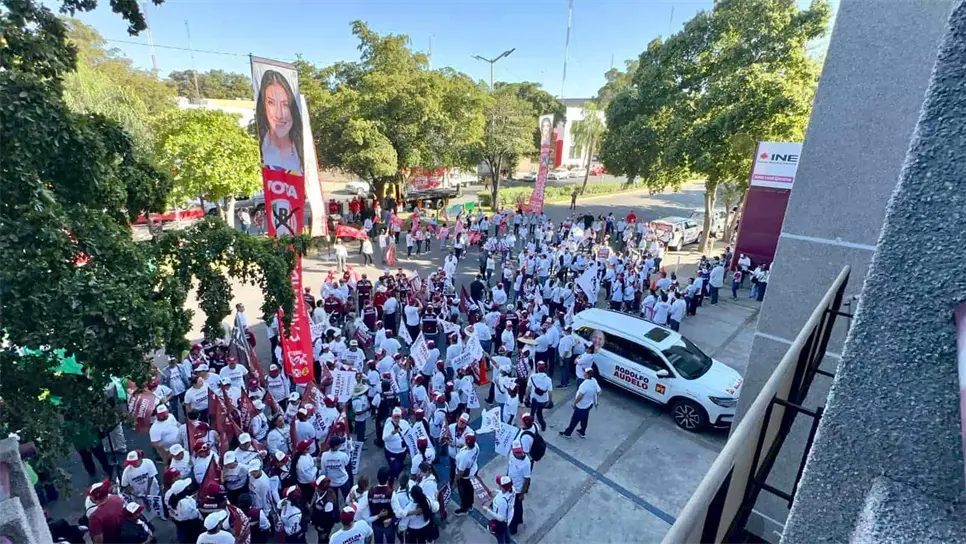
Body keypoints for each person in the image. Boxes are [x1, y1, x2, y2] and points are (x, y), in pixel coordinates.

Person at [255, 69, 303, 174]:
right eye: (271, 103)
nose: (280, 114)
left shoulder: (303, 151)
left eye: (285, 105)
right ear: (263, 107)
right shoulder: (255, 149)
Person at [559, 368, 601, 439]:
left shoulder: (584, 385)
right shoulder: (594, 381)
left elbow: (580, 396)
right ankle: (582, 431)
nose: (583, 373)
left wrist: (574, 403)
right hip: (588, 405)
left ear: (587, 375)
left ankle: (567, 433)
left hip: (581, 406)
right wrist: (596, 400)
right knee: (584, 418)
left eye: (585, 372)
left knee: (574, 420)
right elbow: (599, 391)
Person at [507, 441, 532, 535]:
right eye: (516, 452)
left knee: (513, 509)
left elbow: (527, 479)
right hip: (510, 485)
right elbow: (509, 467)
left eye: (520, 451)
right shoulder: (511, 455)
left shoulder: (526, 463)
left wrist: (522, 493)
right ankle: (520, 519)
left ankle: (513, 529)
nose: (519, 454)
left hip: (517, 490)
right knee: (518, 507)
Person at [482, 475, 515, 544]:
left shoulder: (502, 501)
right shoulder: (512, 489)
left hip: (502, 522)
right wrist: (494, 490)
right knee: (506, 533)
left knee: (500, 536)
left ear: (502, 487)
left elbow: (501, 518)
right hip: (509, 516)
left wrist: (488, 510)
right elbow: (504, 493)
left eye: (500, 484)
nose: (498, 485)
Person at [453, 431, 480, 515]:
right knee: (470, 489)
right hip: (473, 471)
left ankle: (464, 509)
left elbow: (461, 472)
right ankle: (470, 505)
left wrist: (455, 481)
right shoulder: (476, 446)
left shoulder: (464, 457)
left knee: (463, 493)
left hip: (465, 477)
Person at [382, 407, 411, 479]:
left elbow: (410, 432)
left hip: (402, 450)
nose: (397, 419)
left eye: (398, 417)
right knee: (394, 467)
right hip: (392, 452)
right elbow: (384, 438)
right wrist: (392, 433)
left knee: (400, 462)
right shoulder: (388, 426)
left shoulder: (404, 423)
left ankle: (400, 468)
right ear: (392, 417)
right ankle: (394, 475)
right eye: (395, 417)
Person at [527, 362, 552, 431]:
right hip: (543, 400)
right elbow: (550, 392)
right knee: (539, 413)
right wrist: (549, 401)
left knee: (532, 413)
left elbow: (528, 388)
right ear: (545, 369)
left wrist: (526, 398)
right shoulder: (548, 379)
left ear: (537, 368)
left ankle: (530, 427)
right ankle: (543, 425)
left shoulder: (532, 377)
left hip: (534, 399)